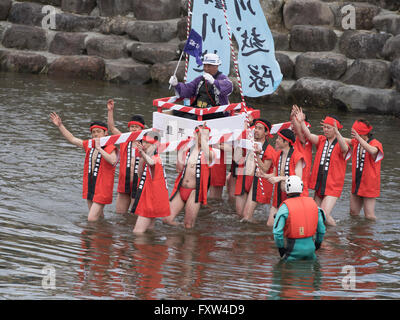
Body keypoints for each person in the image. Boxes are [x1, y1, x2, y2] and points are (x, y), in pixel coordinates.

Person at [50, 112, 118, 222]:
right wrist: (60, 126)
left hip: (102, 188)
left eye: (98, 132)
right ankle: (104, 234)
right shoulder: (89, 145)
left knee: (91, 219)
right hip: (90, 185)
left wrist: (100, 149)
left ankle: (94, 236)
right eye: (93, 132)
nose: (95, 134)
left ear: (106, 133)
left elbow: (113, 160)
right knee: (98, 218)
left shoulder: (110, 147)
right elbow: (72, 139)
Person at [298, 112, 351, 226]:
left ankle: (336, 232)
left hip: (333, 185)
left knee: (323, 214)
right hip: (320, 183)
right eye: (324, 127)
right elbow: (308, 135)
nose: (325, 130)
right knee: (315, 214)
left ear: (336, 129)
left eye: (328, 128)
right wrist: (301, 121)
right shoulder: (322, 140)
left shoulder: (342, 142)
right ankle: (324, 235)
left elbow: (345, 149)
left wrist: (337, 133)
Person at [164, 124, 215, 229]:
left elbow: (208, 155)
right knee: (166, 220)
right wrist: (180, 153)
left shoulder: (211, 152)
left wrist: (203, 136)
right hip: (181, 188)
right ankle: (179, 233)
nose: (201, 137)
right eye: (199, 134)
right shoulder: (187, 150)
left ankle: (189, 241)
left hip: (195, 191)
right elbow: (178, 169)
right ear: (194, 135)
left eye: (205, 135)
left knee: (188, 225)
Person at [273, 175, 326, 262]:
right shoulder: (314, 205)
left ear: (287, 188)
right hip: (311, 251)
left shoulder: (284, 208)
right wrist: (317, 244)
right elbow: (322, 230)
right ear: (301, 187)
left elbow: (277, 233)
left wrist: (281, 249)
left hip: (292, 251)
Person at [106, 99, 145, 214]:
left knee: (135, 216)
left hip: (138, 184)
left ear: (142, 129)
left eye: (136, 127)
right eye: (131, 126)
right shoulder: (124, 140)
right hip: (124, 183)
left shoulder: (146, 143)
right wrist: (110, 111)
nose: (133, 129)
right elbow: (112, 128)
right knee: (119, 215)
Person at [168, 53, 233, 120]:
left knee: (192, 118)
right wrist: (176, 85)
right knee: (177, 112)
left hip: (215, 111)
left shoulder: (222, 78)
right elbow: (189, 88)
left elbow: (229, 86)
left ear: (216, 66)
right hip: (199, 108)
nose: (206, 68)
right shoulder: (200, 79)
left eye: (209, 66)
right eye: (205, 66)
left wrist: (214, 82)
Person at [234, 118, 276, 222]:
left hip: (256, 182)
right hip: (243, 178)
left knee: (246, 217)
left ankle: (257, 229)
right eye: (256, 128)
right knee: (239, 215)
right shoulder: (247, 142)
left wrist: (257, 155)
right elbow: (237, 158)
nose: (256, 130)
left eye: (260, 129)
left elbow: (265, 169)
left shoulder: (269, 149)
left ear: (266, 132)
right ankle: (255, 226)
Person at [130, 131, 171, 233]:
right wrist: (142, 155)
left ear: (155, 145)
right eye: (143, 142)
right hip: (151, 197)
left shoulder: (156, 158)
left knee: (137, 232)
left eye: (147, 143)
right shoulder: (148, 157)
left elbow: (152, 162)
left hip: (151, 200)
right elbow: (139, 174)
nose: (144, 145)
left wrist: (142, 153)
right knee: (149, 230)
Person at [344, 119, 384, 221]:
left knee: (369, 216)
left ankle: (371, 234)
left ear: (362, 133)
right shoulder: (356, 142)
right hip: (357, 181)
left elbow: (373, 150)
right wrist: (335, 133)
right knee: (353, 213)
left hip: (369, 183)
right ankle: (356, 232)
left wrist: (358, 138)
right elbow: (345, 140)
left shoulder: (375, 143)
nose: (353, 135)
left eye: (355, 132)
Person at [264, 128, 305, 227]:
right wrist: (263, 175)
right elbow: (275, 174)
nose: (276, 140)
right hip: (278, 194)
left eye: (279, 138)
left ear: (286, 142)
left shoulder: (297, 156)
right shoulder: (277, 155)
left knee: (290, 226)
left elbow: (298, 179)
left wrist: (280, 178)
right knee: (270, 224)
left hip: (293, 195)